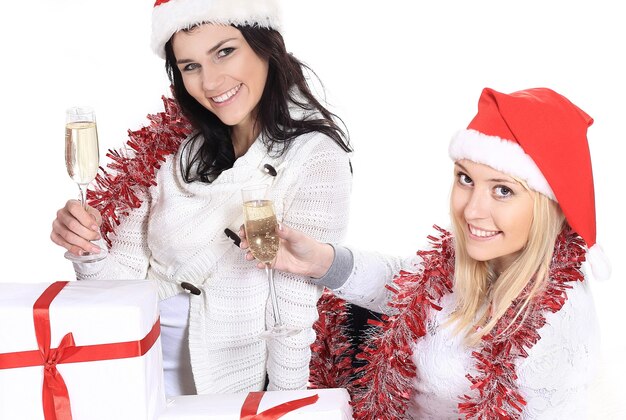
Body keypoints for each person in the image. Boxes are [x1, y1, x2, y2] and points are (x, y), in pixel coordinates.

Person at [242, 87, 611, 418]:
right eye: (465, 179)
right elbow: (402, 282)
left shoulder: (554, 324)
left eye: (503, 191)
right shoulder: (468, 259)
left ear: (550, 205)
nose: (471, 210)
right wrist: (319, 260)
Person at [50, 0, 353, 396]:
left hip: (228, 390)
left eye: (224, 52)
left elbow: (292, 319)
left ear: (265, 43)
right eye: (190, 66)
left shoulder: (313, 159)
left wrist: (284, 406)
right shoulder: (172, 153)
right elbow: (117, 288)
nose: (209, 82)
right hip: (134, 373)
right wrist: (87, 247)